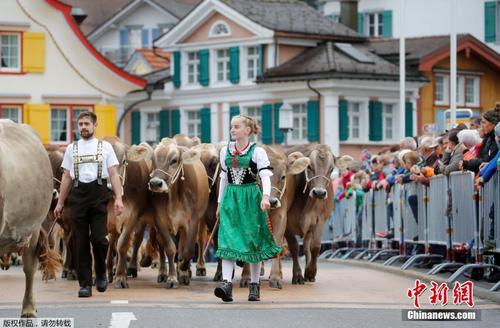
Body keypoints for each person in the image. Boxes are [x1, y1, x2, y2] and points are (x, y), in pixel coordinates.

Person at [54, 111, 123, 298]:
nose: (83, 127)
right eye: (81, 124)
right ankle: (85, 284)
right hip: (77, 196)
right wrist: (60, 203)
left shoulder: (105, 147)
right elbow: (67, 177)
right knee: (80, 242)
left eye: (87, 123)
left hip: (99, 194)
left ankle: (100, 272)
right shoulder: (71, 148)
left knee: (100, 239)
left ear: (94, 125)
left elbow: (114, 174)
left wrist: (118, 198)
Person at [214, 115, 281, 302]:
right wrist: (219, 204)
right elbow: (224, 179)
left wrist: (266, 196)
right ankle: (226, 284)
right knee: (227, 240)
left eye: (236, 127)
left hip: (251, 198)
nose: (232, 130)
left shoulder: (257, 151)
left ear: (248, 130)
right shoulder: (224, 151)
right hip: (230, 199)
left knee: (253, 242)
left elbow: (265, 176)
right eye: (231, 127)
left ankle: (254, 285)